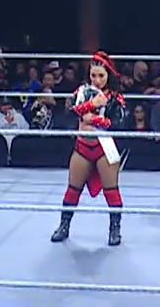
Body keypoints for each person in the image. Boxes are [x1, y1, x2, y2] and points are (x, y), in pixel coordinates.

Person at [51, 53, 129, 247]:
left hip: (104, 147)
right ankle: (64, 226)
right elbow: (71, 113)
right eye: (93, 75)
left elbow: (118, 123)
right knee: (73, 188)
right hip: (83, 146)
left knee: (111, 190)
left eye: (101, 75)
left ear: (108, 75)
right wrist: (92, 105)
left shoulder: (115, 97)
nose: (97, 80)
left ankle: (115, 229)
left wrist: (93, 119)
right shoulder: (82, 92)